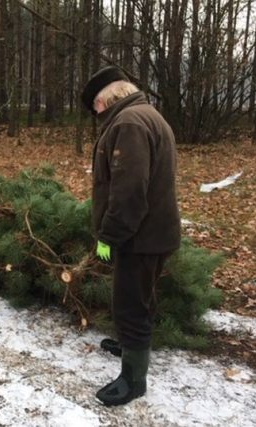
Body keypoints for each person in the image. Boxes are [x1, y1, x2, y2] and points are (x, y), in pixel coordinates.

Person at [81, 66, 181, 406]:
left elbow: (128, 193)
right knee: (140, 296)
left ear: (105, 98)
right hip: (152, 232)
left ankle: (133, 380)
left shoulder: (128, 124)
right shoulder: (146, 114)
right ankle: (129, 346)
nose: (95, 114)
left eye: (94, 106)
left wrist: (109, 236)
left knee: (130, 304)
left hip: (139, 237)